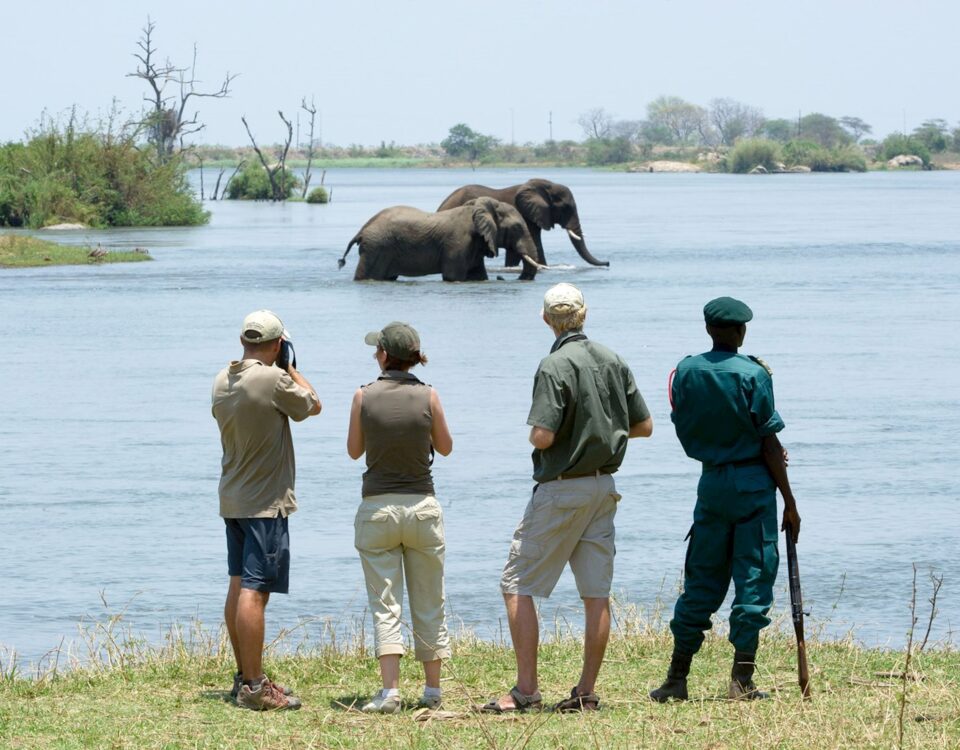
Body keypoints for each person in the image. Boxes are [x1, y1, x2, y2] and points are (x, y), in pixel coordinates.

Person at [482, 283, 653, 714]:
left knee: (517, 585)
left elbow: (543, 435)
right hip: (603, 489)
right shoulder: (613, 359)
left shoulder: (553, 364)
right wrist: (604, 433)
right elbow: (644, 425)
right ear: (585, 314)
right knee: (595, 593)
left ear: (546, 320)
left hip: (562, 489)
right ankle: (586, 692)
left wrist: (544, 438)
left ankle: (526, 691)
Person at [650, 296, 801, 702]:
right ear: (740, 332)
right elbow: (768, 443)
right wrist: (790, 500)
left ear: (707, 330)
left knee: (701, 578)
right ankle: (741, 681)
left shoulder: (684, 371)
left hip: (711, 483)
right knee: (753, 578)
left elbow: (686, 423)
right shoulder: (754, 373)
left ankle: (676, 679)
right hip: (753, 485)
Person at [212, 309, 321, 711]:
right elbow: (313, 405)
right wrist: (291, 368)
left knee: (239, 584)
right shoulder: (274, 378)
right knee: (255, 593)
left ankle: (245, 677)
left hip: (233, 497)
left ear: (244, 341)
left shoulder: (222, 380)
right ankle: (255, 688)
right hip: (264, 503)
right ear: (277, 344)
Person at [347, 321, 454, 714]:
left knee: (385, 603)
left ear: (384, 356)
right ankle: (432, 691)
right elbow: (445, 448)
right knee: (430, 600)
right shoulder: (429, 395)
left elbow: (353, 451)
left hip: (377, 508)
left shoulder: (363, 395)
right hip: (422, 506)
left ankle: (390, 692)